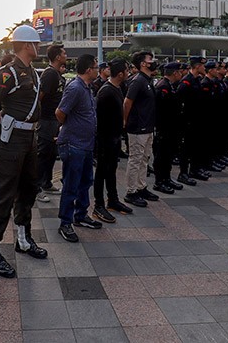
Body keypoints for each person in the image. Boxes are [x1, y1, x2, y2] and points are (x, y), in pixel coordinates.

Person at [0, 25, 48, 278]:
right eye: (36, 44)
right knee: (4, 194)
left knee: (28, 189)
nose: (38, 47)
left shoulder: (32, 72)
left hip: (29, 137)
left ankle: (23, 238)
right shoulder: (8, 73)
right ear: (26, 45)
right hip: (11, 139)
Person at [56, 54, 101, 242]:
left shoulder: (87, 87)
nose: (98, 70)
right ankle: (65, 223)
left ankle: (81, 215)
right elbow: (60, 112)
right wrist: (71, 128)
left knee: (85, 181)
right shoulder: (75, 88)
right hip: (74, 144)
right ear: (89, 70)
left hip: (86, 144)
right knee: (71, 185)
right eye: (96, 67)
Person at [93, 58, 134, 223]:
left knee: (111, 171)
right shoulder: (106, 92)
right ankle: (99, 205)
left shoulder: (117, 88)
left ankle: (113, 200)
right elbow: (99, 119)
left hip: (115, 138)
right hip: (105, 140)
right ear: (120, 74)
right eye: (127, 70)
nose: (129, 73)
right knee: (101, 172)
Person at [123, 51, 159, 207]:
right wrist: (125, 121)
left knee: (145, 158)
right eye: (150, 59)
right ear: (143, 64)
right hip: (138, 127)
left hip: (148, 127)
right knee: (135, 160)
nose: (153, 61)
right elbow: (127, 102)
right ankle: (131, 192)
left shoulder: (147, 80)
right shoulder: (137, 81)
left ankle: (141, 187)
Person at [36, 44, 67, 203]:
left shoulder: (56, 74)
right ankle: (36, 188)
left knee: (51, 154)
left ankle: (46, 183)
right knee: (43, 155)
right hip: (47, 120)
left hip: (54, 121)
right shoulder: (49, 74)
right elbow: (39, 97)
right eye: (64, 53)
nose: (66, 55)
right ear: (57, 57)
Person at [153, 62, 185, 194]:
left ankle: (167, 178)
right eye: (179, 72)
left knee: (168, 155)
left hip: (171, 128)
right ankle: (159, 181)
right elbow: (161, 110)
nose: (181, 74)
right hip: (164, 128)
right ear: (175, 73)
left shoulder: (170, 85)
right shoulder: (163, 87)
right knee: (162, 156)